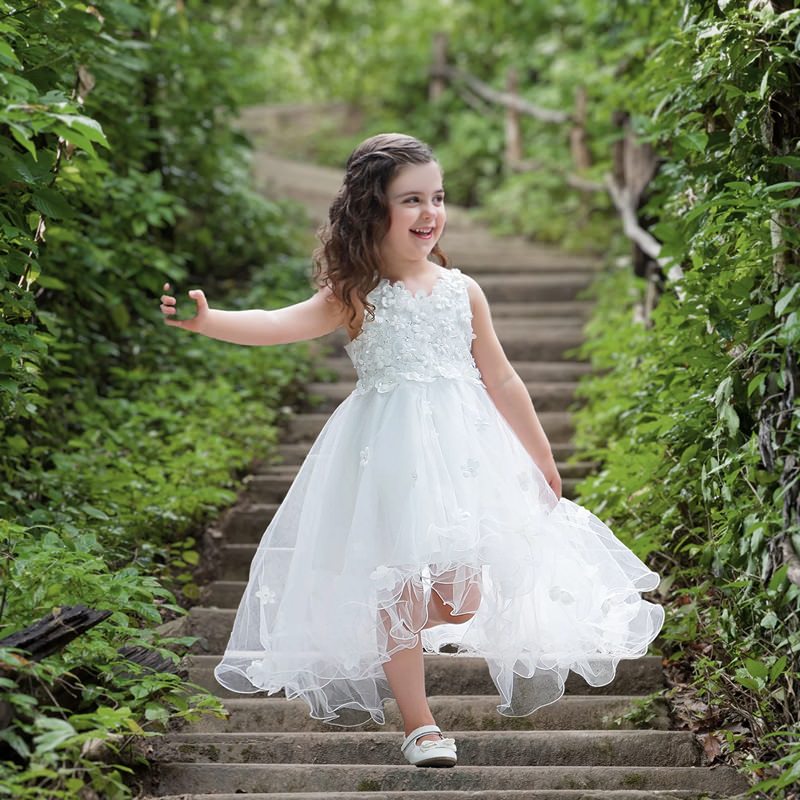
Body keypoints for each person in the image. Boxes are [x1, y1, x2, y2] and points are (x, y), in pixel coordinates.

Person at [158, 132, 665, 769]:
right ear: (373, 210)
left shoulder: (462, 291)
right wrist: (209, 321)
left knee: (462, 599)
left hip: (465, 458)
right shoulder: (356, 295)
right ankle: (420, 724)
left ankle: (368, 623)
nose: (430, 213)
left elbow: (502, 377)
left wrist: (541, 456)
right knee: (397, 582)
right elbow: (277, 321)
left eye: (438, 198)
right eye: (411, 201)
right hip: (386, 456)